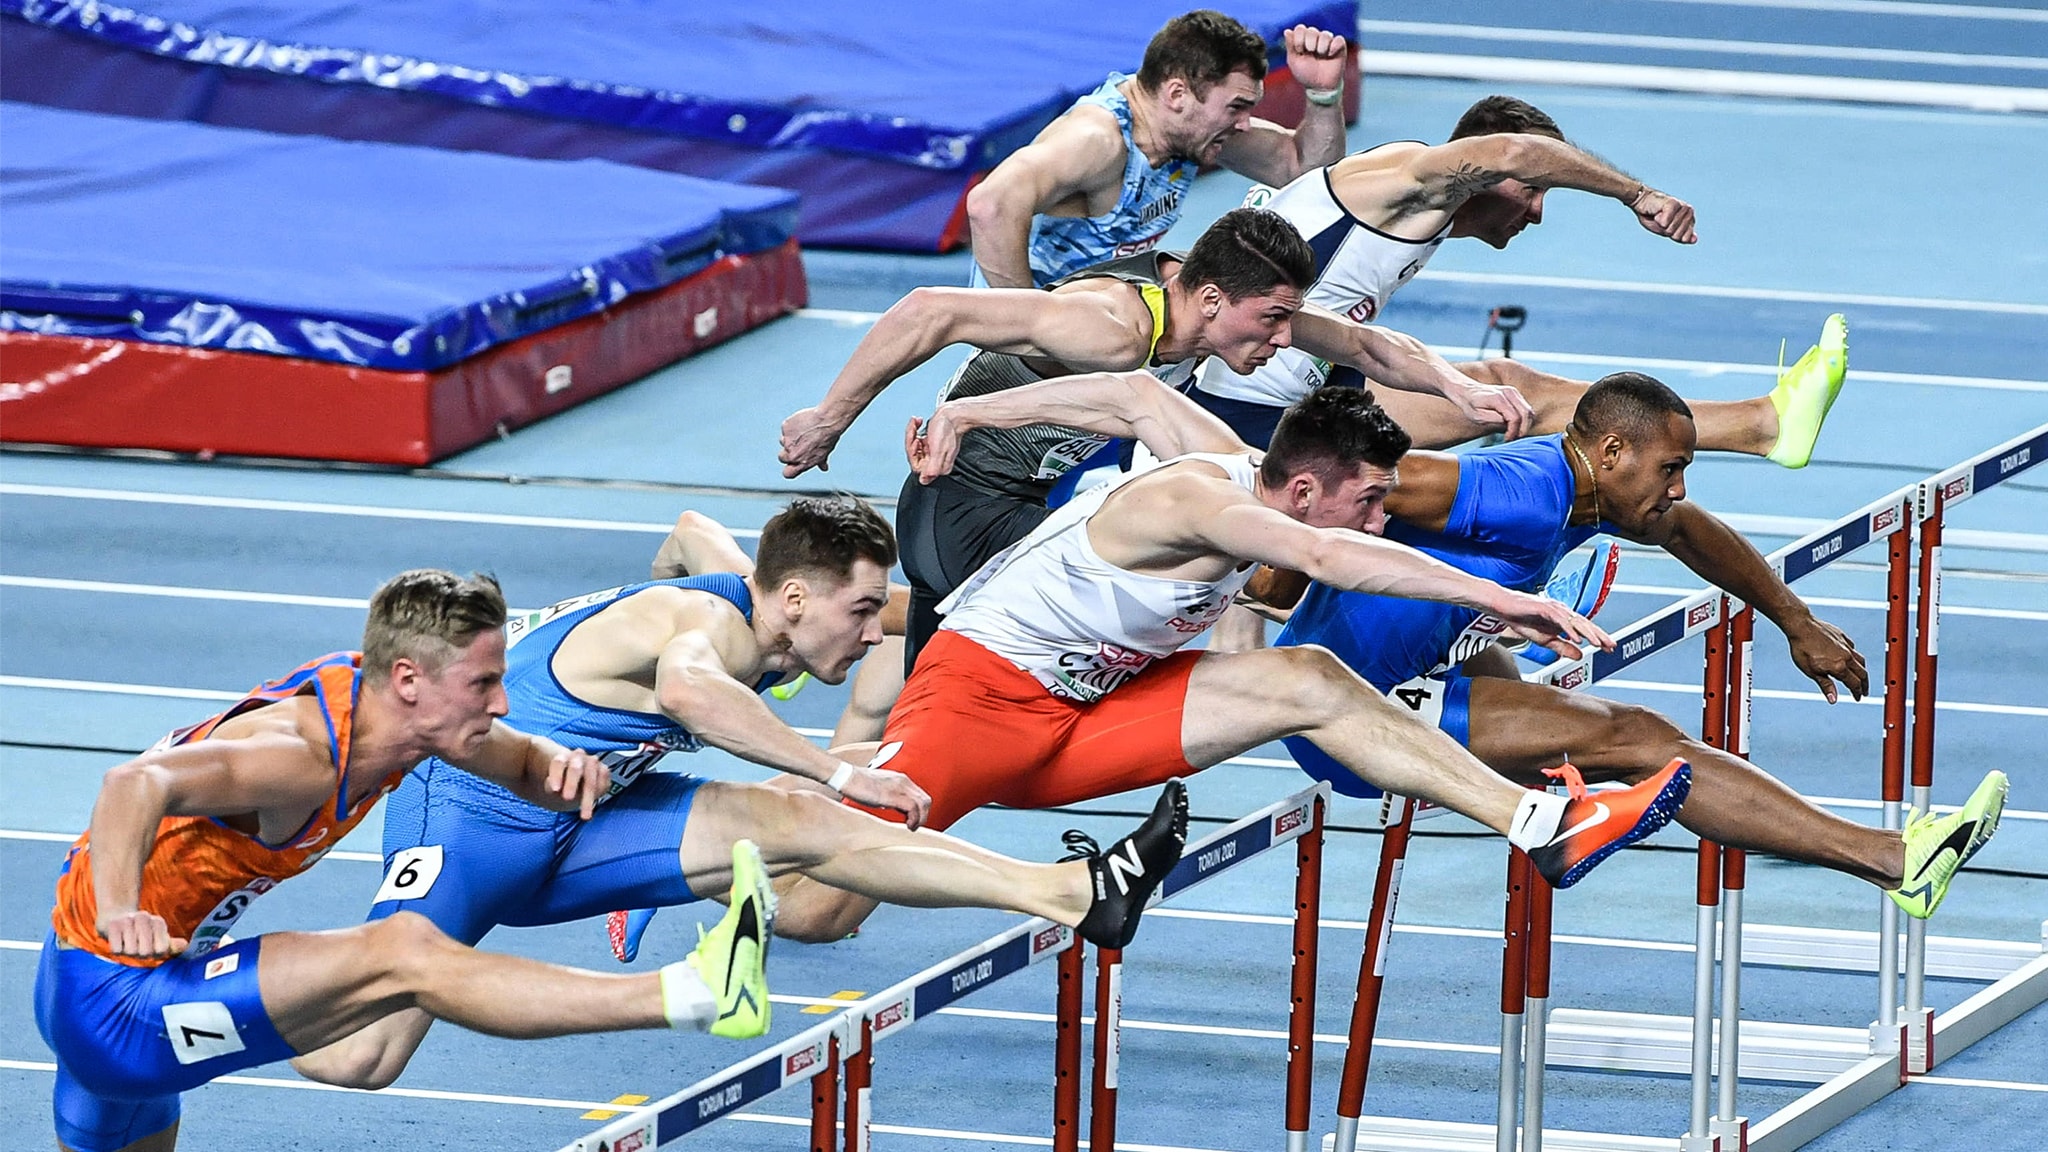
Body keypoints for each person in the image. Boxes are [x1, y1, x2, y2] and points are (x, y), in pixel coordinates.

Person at [912, 369, 2009, 918]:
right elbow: (1357, 509)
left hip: (1425, 657)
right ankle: (1885, 861)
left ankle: (1883, 859)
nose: (1675, 493)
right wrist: (1269, 569)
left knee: (1617, 724)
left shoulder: (1592, 496)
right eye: (1666, 470)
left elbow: (1691, 533)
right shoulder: (1516, 490)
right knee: (1634, 732)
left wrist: (1794, 619)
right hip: (1359, 708)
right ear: (1611, 452)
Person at [287, 497, 1186, 1090]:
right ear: (794, 596)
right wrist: (839, 766)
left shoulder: (749, 592)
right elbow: (686, 689)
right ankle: (207, 1009)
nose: (874, 636)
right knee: (359, 1059)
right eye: (863, 613)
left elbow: (685, 529)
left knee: (804, 826)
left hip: (593, 813)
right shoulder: (711, 626)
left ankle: (1075, 893)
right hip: (473, 814)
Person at [767, 385, 1700, 945]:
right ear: (1303, 491)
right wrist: (1504, 598)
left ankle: (1542, 823)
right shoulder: (1208, 504)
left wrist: (970, 409)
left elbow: (1132, 392)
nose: (1384, 517)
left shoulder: (1229, 456)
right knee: (817, 912)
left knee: (1315, 683)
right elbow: (1338, 558)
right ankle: (657, 874)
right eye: (1370, 500)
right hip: (978, 698)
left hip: (1088, 715)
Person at [32, 570, 770, 1152]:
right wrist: (121, 908)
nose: (505, 703)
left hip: (108, 978)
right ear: (412, 679)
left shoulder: (395, 711)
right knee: (403, 951)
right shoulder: (302, 758)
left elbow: (518, 761)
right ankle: (694, 995)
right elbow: (134, 782)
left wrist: (557, 768)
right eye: (484, 684)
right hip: (114, 1002)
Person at [779, 207, 1534, 670]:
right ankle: (1456, 615)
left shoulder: (1222, 299)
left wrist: (1461, 389)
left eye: (1285, 319)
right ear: (1211, 299)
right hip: (969, 513)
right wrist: (828, 417)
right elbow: (927, 309)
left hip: (1011, 506)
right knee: (1197, 560)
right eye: (1271, 320)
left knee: (916, 745)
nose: (1282, 339)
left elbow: (1368, 346)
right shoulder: (1110, 327)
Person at [1193, 94, 1845, 471]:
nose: (1537, 211)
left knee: (1515, 393)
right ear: (1476, 169)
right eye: (1534, 190)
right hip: (1244, 412)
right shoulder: (1409, 180)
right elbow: (1510, 150)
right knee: (1417, 501)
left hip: (1308, 382)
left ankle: (1762, 425)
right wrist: (1634, 194)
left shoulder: (1413, 205)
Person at [965, 9, 1350, 289]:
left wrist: (1323, 95)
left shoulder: (1191, 128)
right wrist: (1023, 325)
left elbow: (1306, 170)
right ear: (1178, 93)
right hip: (1037, 346)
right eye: (1236, 106)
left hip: (1098, 316)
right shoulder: (1097, 140)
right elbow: (989, 204)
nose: (1244, 123)